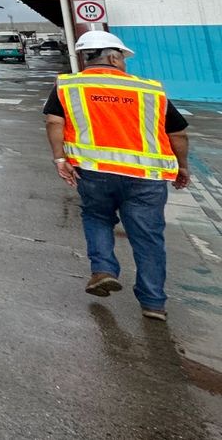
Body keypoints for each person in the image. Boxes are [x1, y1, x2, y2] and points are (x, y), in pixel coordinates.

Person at [44, 30, 191, 321]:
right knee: (148, 238)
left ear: (85, 57)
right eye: (122, 57)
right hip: (145, 177)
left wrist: (60, 158)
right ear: (113, 56)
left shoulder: (69, 85)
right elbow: (178, 133)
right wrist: (182, 166)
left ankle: (103, 270)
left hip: (94, 172)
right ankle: (153, 303)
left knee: (96, 217)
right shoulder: (149, 90)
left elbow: (53, 121)